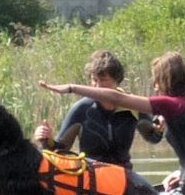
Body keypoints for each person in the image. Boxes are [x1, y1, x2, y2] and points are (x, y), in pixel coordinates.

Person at [39, 51, 185, 195]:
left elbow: (118, 98)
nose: (155, 86)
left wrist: (71, 88)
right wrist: (182, 173)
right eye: (93, 80)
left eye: (156, 81)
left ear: (165, 80)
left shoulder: (170, 105)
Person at [34, 50, 163, 169]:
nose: (97, 86)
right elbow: (59, 152)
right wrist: (46, 139)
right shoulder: (81, 109)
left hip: (124, 175)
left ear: (117, 80)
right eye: (94, 80)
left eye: (103, 80)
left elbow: (153, 138)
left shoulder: (133, 106)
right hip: (92, 177)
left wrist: (159, 127)